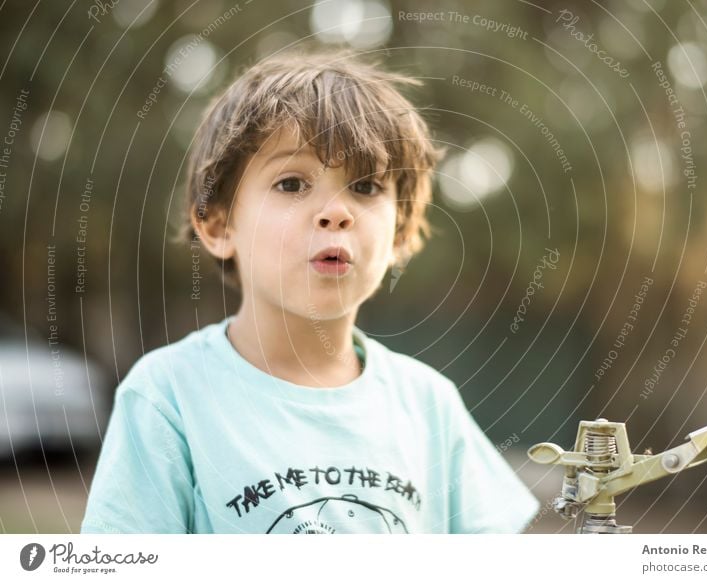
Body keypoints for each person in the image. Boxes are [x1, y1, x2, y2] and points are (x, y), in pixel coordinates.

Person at [81, 48, 539, 534]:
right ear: (217, 224)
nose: (336, 212)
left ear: (401, 233)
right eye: (293, 182)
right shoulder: (167, 397)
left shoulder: (430, 405)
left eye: (365, 188)